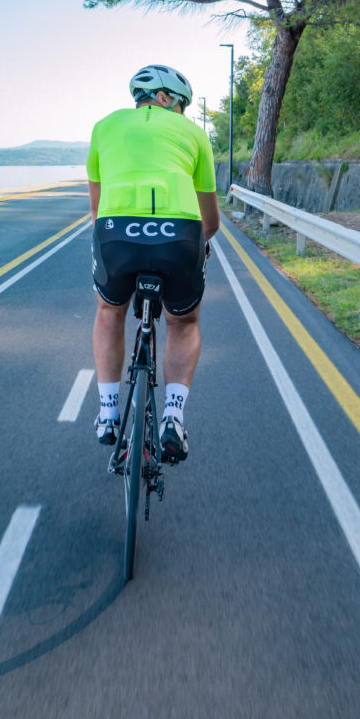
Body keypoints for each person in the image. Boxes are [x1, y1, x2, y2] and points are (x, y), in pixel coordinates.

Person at [86, 63, 220, 466]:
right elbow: (210, 220)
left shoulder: (103, 127)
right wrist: (200, 245)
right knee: (183, 321)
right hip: (179, 235)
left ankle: (108, 413)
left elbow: (95, 209)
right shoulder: (195, 134)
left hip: (115, 234)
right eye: (182, 106)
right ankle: (174, 418)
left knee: (109, 311)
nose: (183, 114)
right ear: (166, 99)